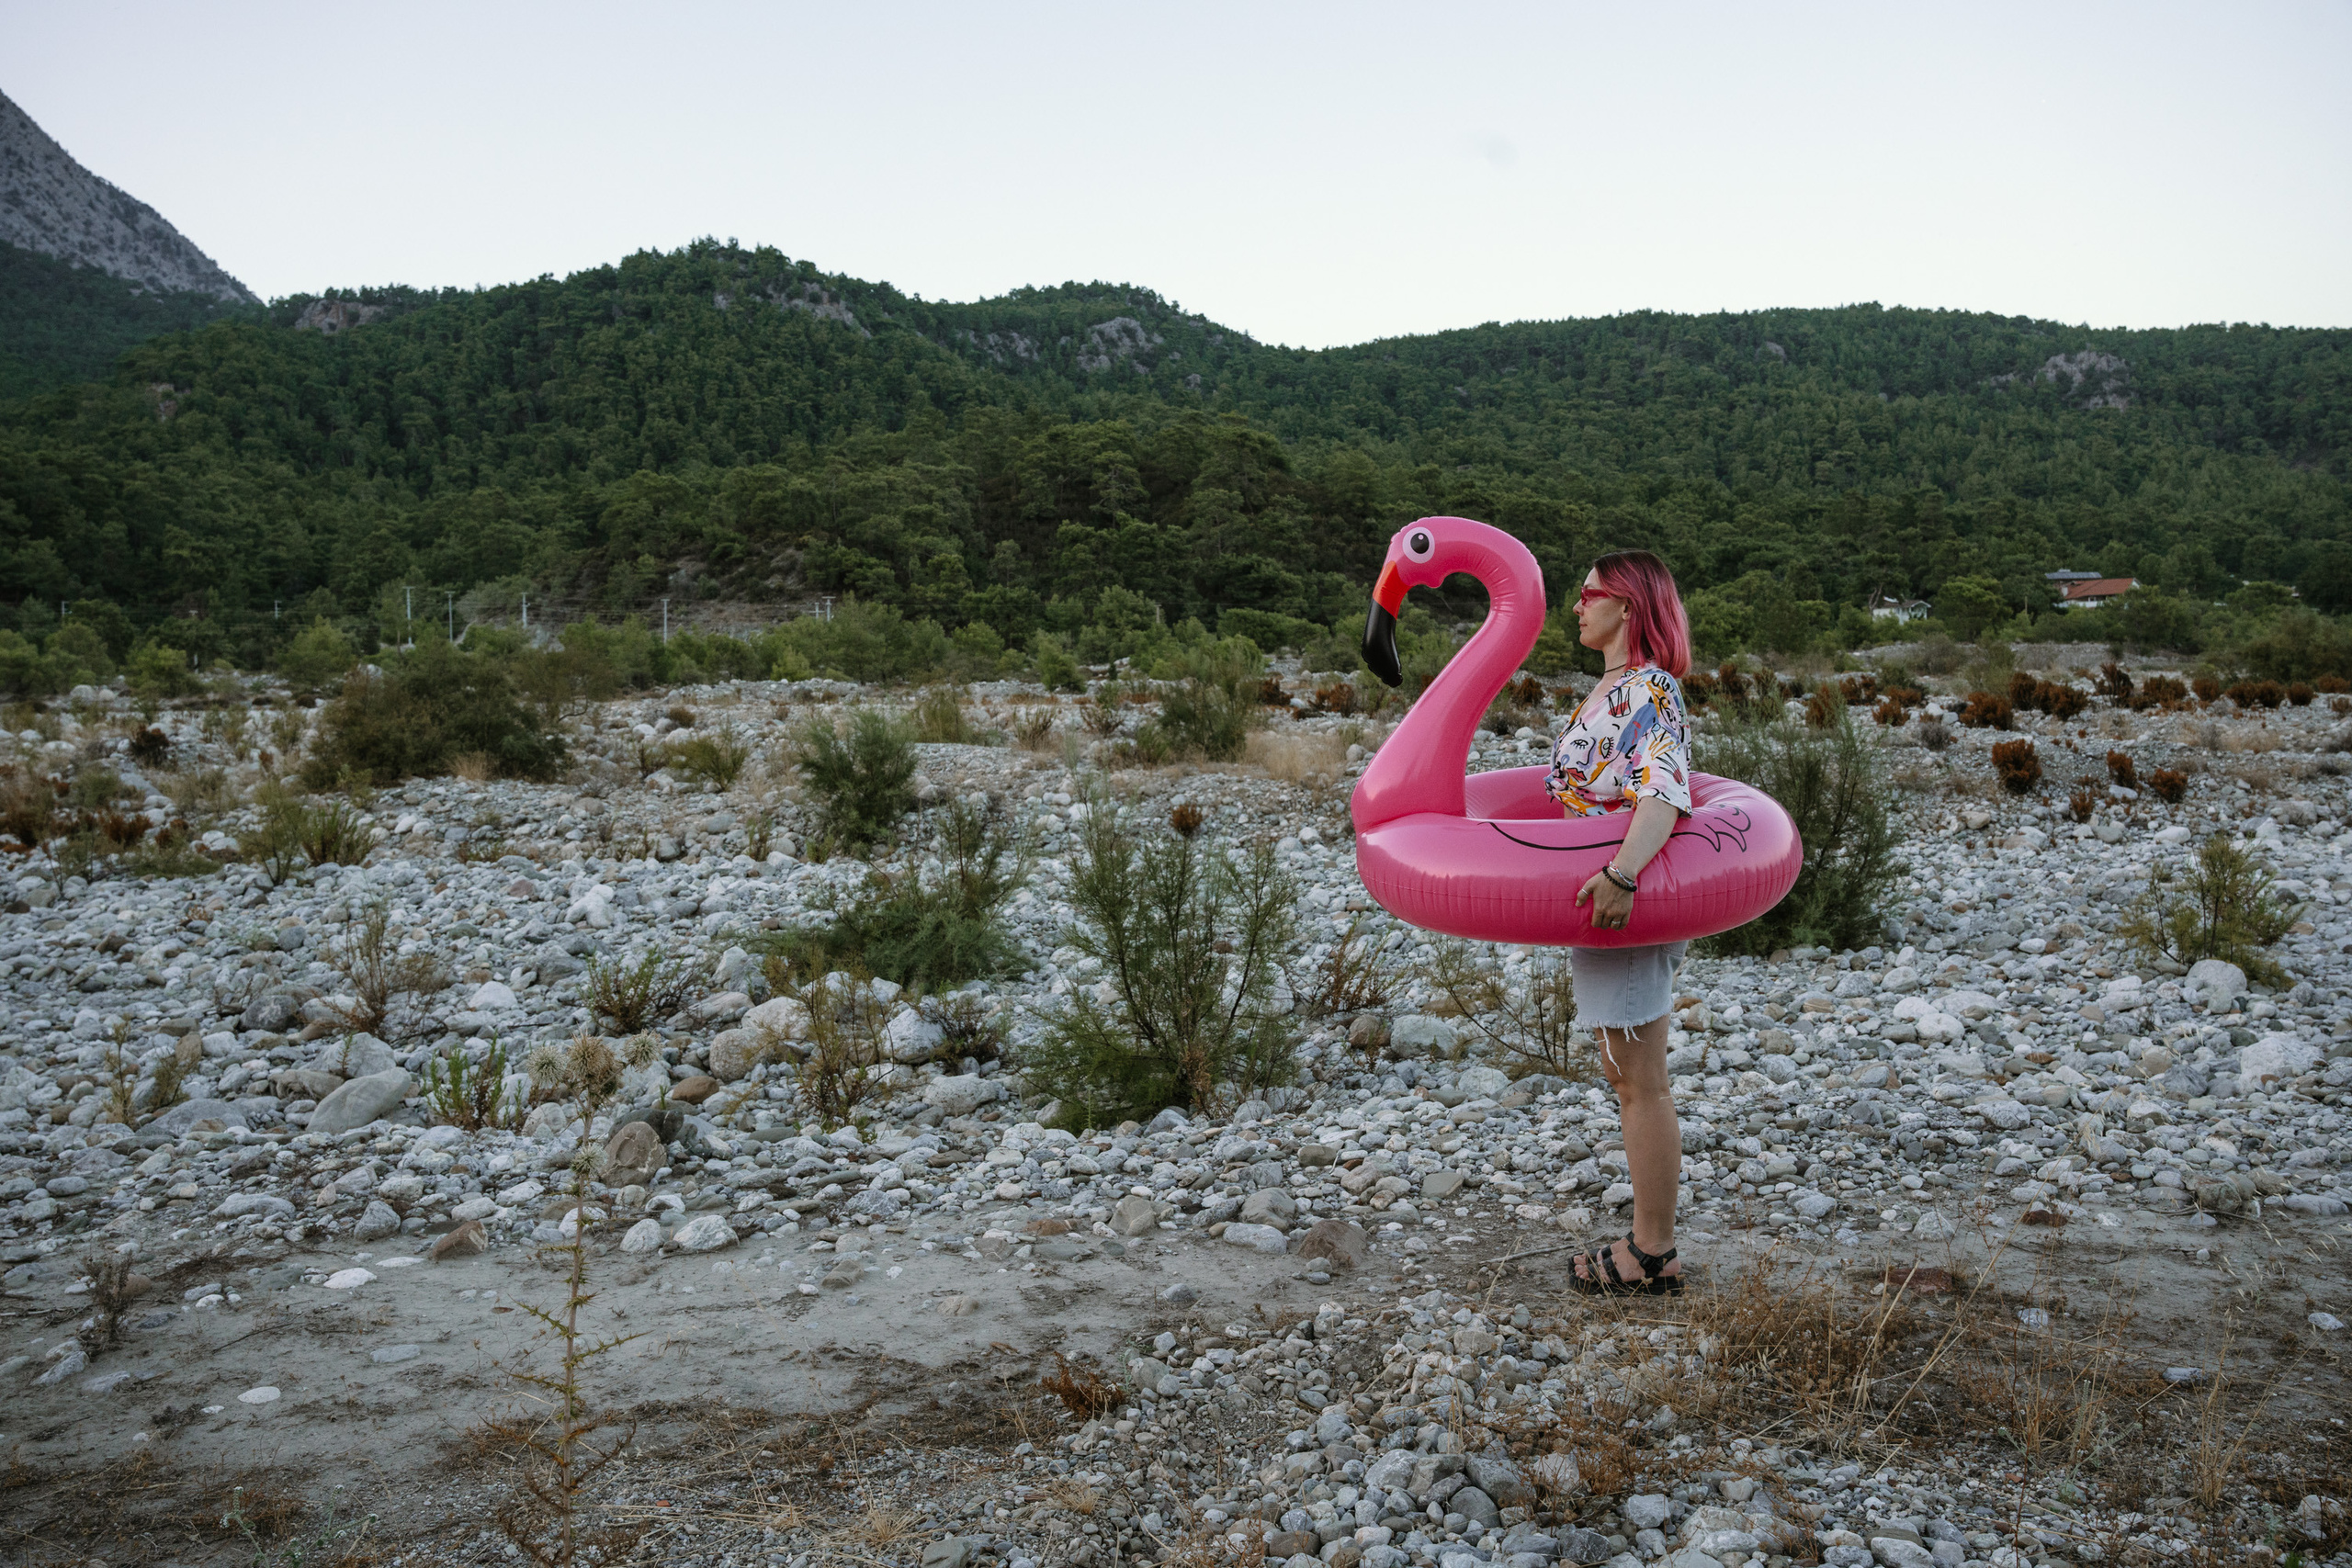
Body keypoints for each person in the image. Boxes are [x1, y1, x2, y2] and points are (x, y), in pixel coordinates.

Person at [1543, 548, 1695, 1295]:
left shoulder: (1649, 689)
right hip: (1601, 903)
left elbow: (1660, 791)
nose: (1578, 604)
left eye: (1590, 592)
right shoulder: (1611, 687)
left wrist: (1621, 873)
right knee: (1622, 1068)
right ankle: (1649, 1240)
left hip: (1625, 899)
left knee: (1641, 1076)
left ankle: (1653, 1253)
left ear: (1628, 606)